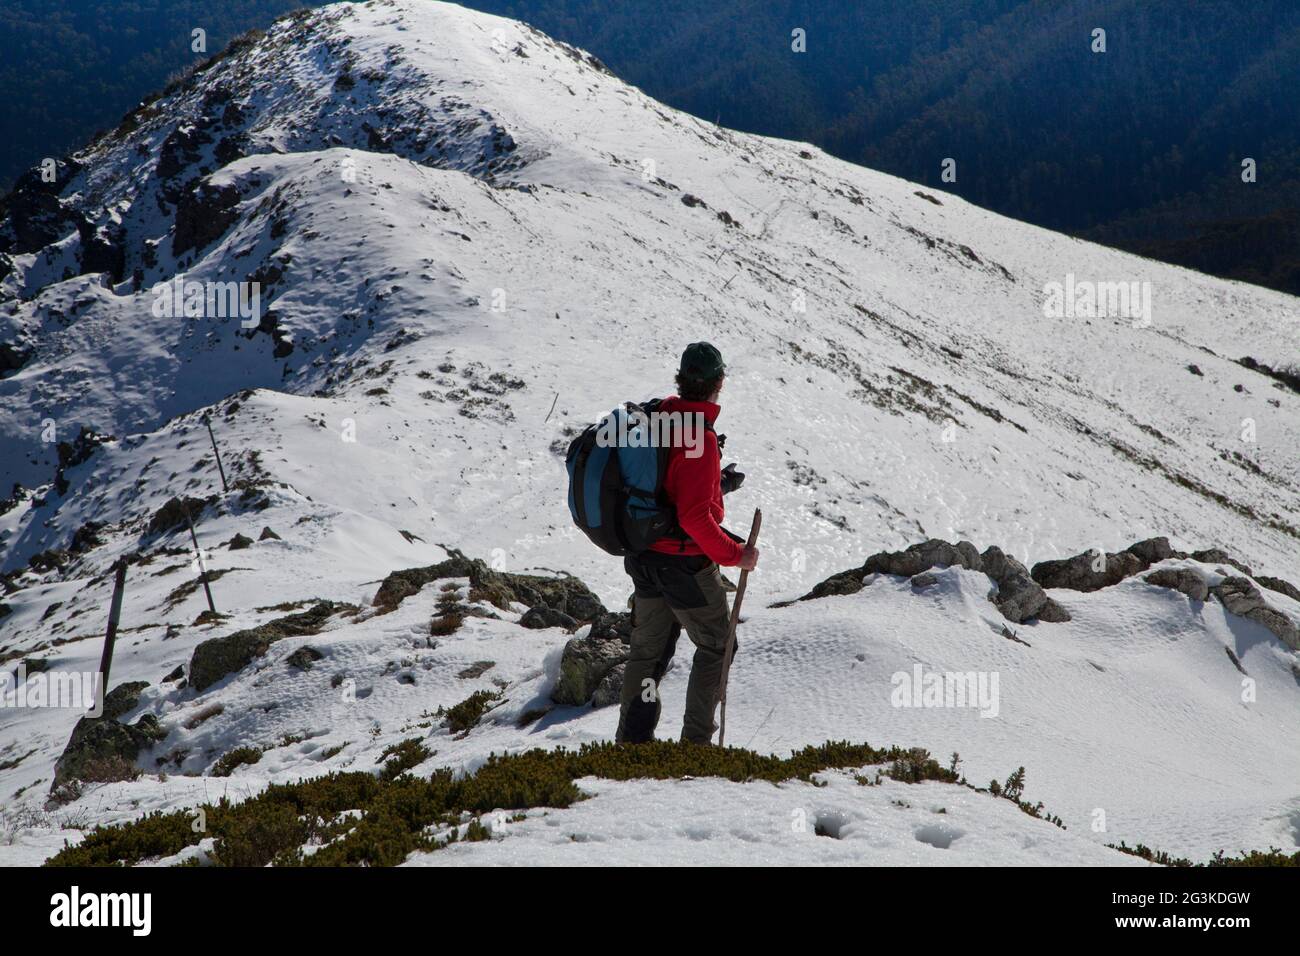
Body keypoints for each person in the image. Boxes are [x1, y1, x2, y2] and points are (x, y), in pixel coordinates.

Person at [616, 342, 760, 745]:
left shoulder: (660, 416)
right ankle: (695, 745)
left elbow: (666, 487)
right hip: (683, 567)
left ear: (681, 379)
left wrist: (718, 486)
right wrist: (737, 555)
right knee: (717, 647)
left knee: (647, 655)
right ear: (719, 383)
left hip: (644, 557)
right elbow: (693, 517)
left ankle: (630, 746)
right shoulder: (702, 438)